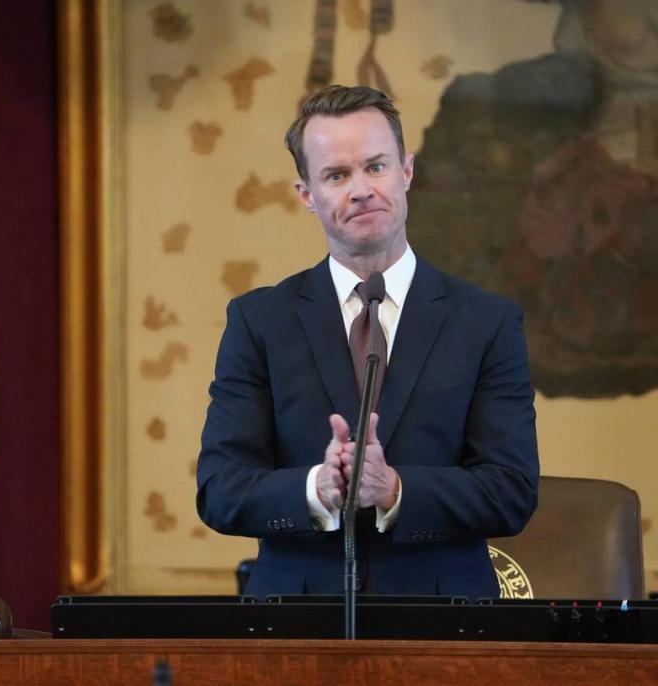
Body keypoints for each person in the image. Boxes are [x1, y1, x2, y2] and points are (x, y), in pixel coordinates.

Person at [196, 85, 539, 600]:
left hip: (446, 621)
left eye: (376, 167)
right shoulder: (258, 320)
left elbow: (511, 490)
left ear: (407, 171)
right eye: (337, 175)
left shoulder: (487, 321)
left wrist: (395, 489)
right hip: (297, 618)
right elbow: (221, 490)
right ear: (307, 195)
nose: (361, 189)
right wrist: (317, 488)